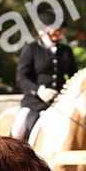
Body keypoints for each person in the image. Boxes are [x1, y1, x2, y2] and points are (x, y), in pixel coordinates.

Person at [12, 10, 77, 140]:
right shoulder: (31, 48)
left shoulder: (66, 51)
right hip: (34, 101)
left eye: (60, 29)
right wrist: (38, 90)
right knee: (17, 130)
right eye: (54, 29)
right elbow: (21, 77)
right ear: (44, 30)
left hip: (59, 101)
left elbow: (73, 77)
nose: (58, 32)